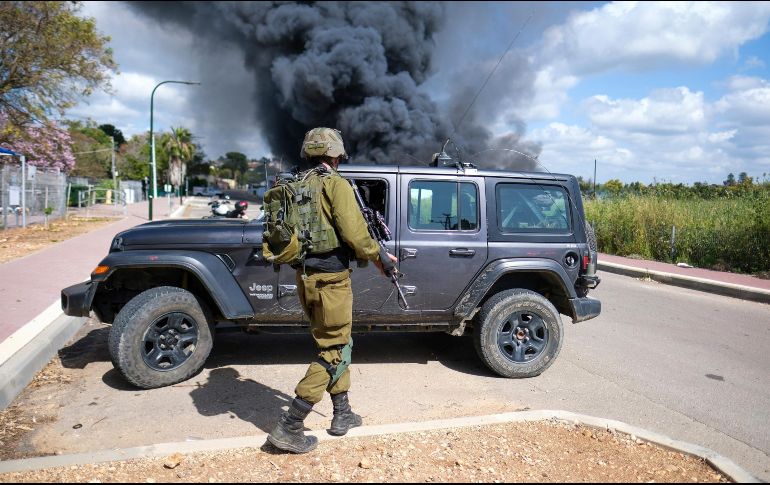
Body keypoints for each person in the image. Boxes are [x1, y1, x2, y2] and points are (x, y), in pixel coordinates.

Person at [266, 127, 398, 454]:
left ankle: (343, 413)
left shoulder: (292, 184)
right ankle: (290, 426)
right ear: (336, 155)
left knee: (337, 341)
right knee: (333, 349)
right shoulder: (334, 184)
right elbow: (355, 234)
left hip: (306, 278)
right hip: (331, 281)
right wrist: (380, 257)